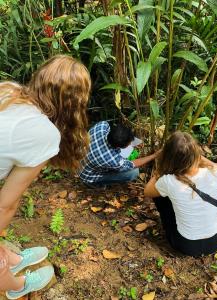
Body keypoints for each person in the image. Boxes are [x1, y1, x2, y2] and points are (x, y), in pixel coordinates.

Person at [0, 55, 91, 299]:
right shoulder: (44, 133)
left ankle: (13, 258)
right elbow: (4, 205)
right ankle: (15, 286)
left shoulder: (8, 89)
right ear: (75, 101)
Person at [144, 131, 217, 257]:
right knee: (211, 196)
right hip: (216, 241)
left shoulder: (168, 181)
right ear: (196, 153)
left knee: (159, 195)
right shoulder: (213, 173)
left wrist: (161, 168)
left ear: (169, 157)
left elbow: (147, 191)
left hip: (185, 245)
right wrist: (199, 157)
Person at [79, 121, 160, 187]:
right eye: (129, 143)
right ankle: (95, 184)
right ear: (121, 147)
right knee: (133, 173)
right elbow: (132, 164)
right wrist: (154, 155)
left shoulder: (101, 126)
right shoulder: (113, 160)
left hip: (79, 162)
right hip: (88, 176)